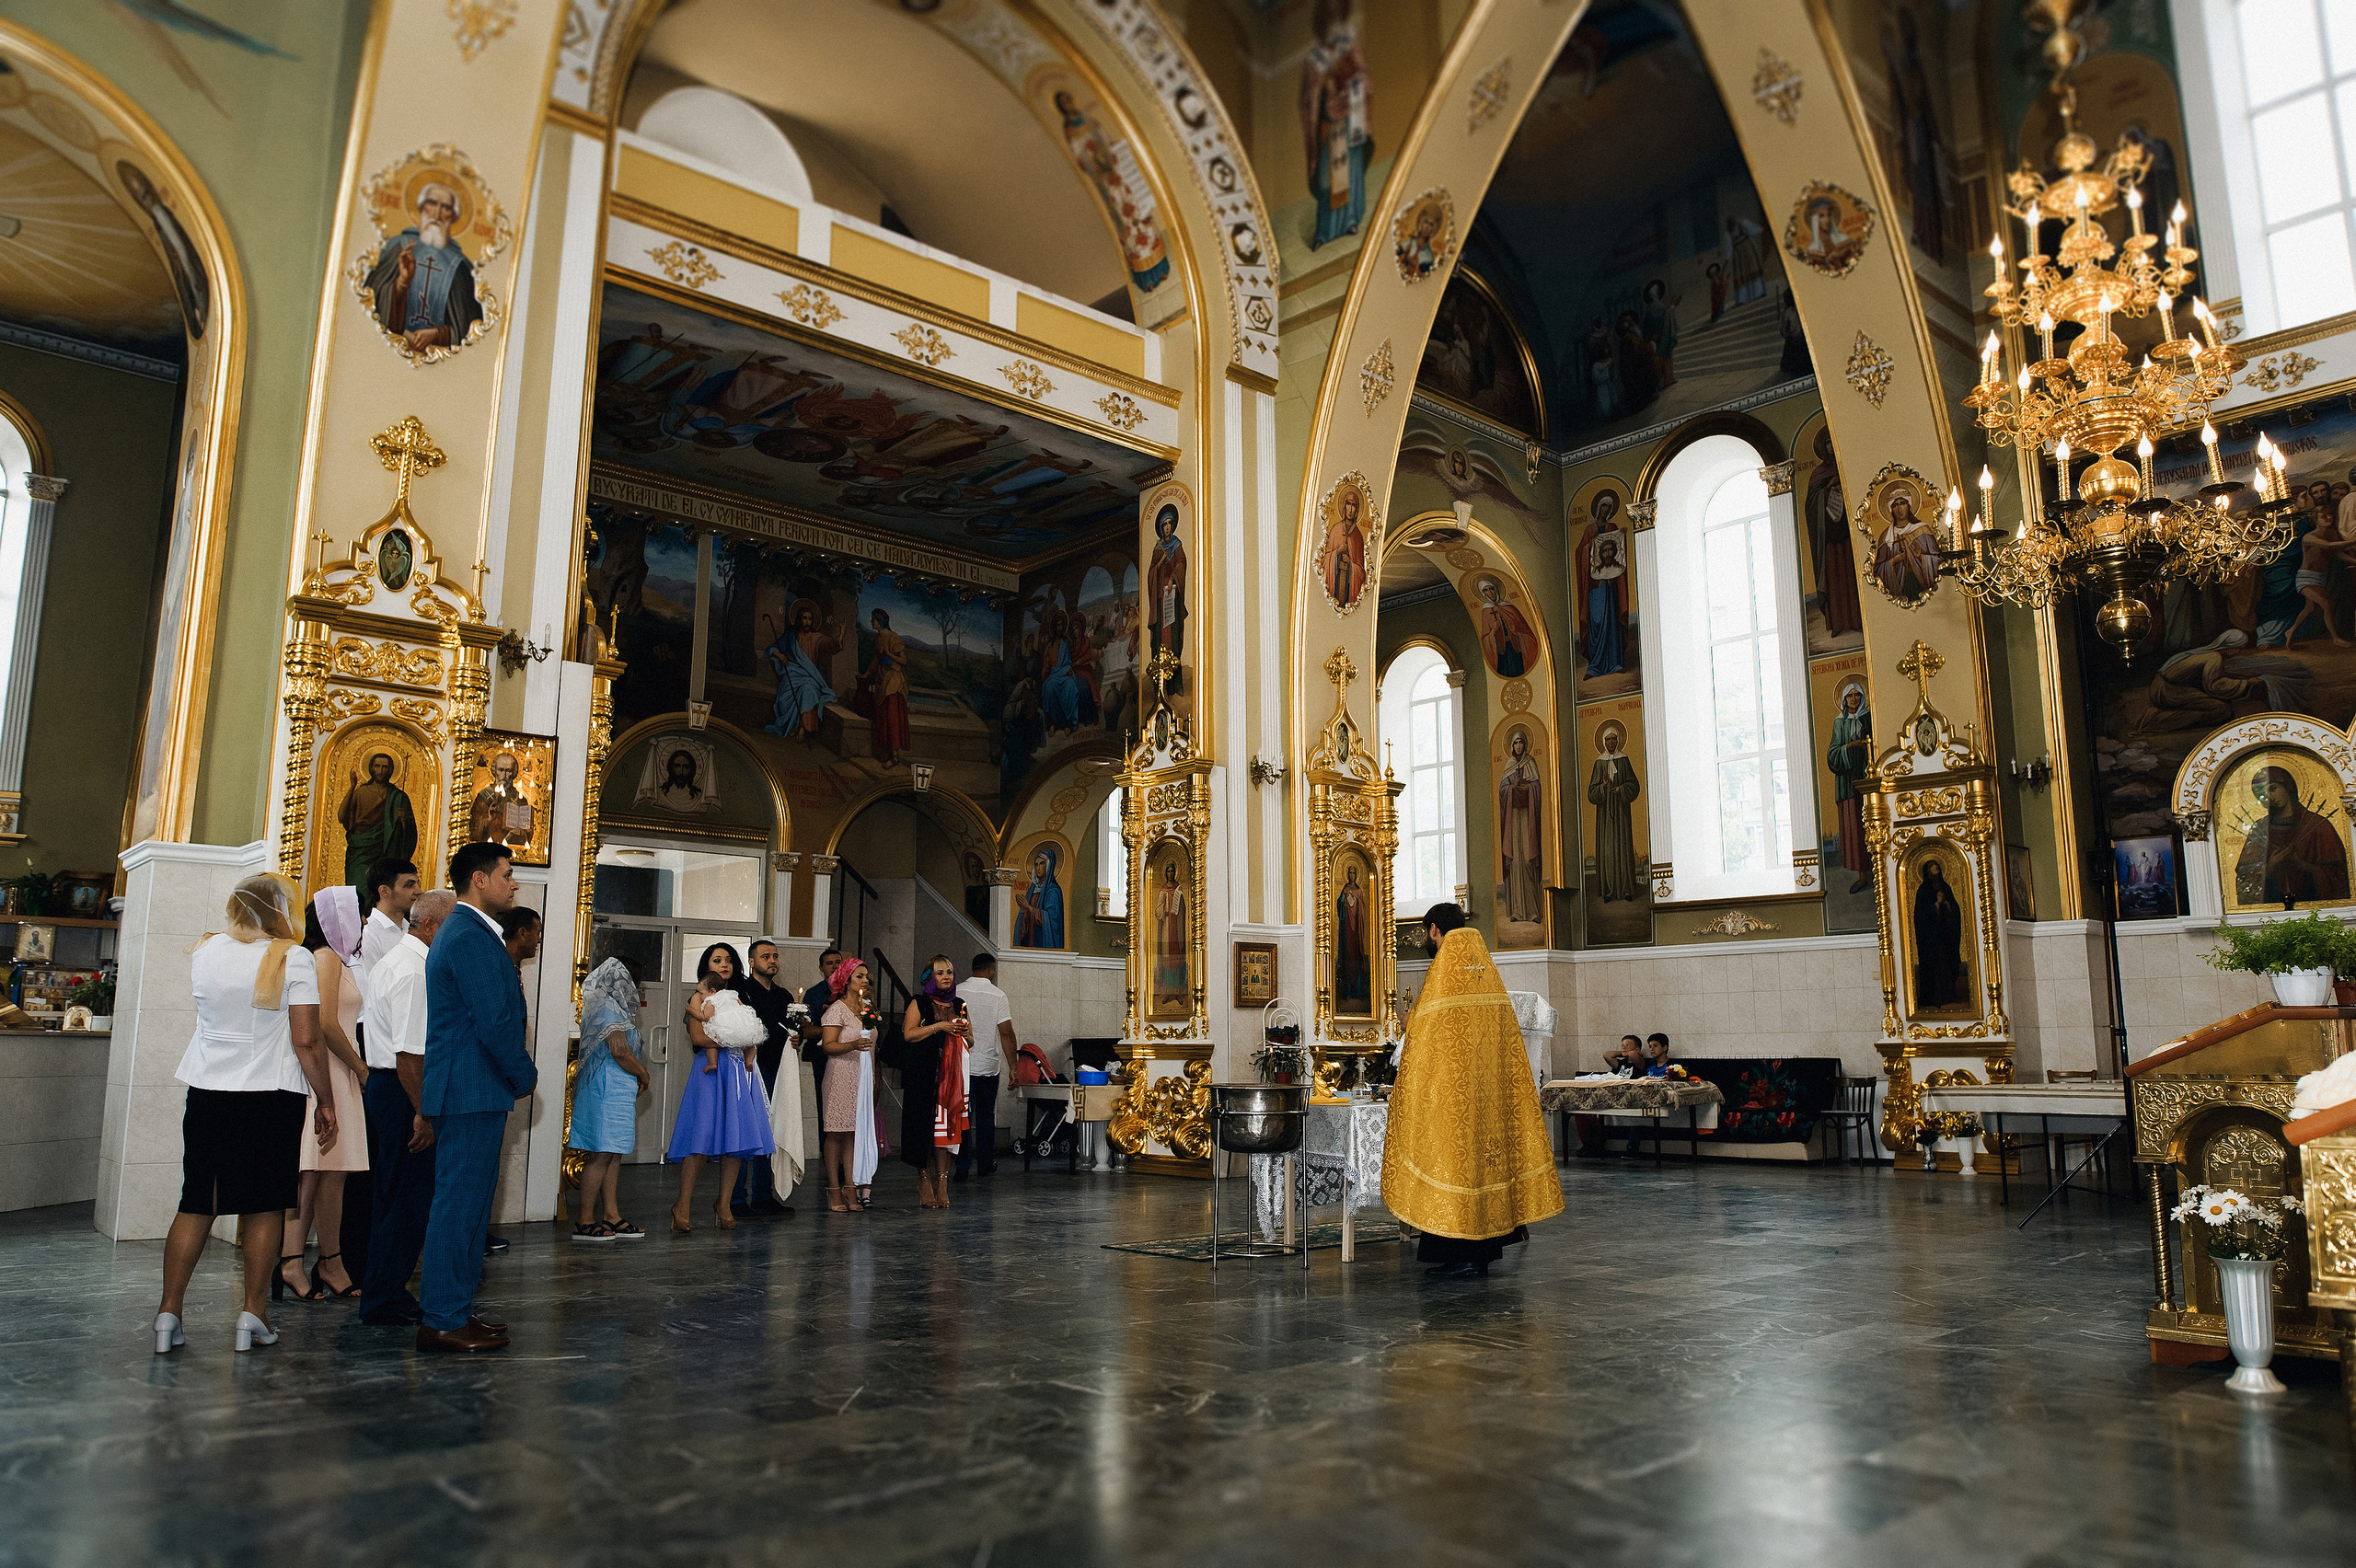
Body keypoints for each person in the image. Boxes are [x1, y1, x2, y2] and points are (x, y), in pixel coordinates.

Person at [153, 873, 341, 1355]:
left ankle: (168, 1313)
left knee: (196, 1201)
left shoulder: (207, 950)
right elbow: (306, 1039)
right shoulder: (292, 957)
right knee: (264, 1205)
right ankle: (252, 1315)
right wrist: (326, 1098)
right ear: (283, 910)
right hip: (267, 1094)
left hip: (208, 1089)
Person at [1381, 904, 1562, 1279]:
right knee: (1486, 1167)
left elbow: (1422, 1042)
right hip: (1491, 1101)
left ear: (1434, 930)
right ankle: (1477, 1254)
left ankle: (1463, 1254)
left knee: (1456, 1168)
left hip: (1453, 1104)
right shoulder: (1487, 974)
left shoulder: (1444, 973)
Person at [416, 842, 536, 1354]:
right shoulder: (468, 935)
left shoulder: (472, 933)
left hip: (472, 1088)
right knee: (458, 1208)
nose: (514, 884)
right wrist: (524, 1074)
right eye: (507, 875)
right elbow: (494, 1022)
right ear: (480, 880)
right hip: (470, 1088)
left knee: (471, 1208)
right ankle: (442, 1317)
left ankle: (456, 1308)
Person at [277, 889, 373, 1303]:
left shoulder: (342, 958)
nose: (364, 921)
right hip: (329, 1071)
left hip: (341, 1070)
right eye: (358, 914)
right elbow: (326, 1024)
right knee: (310, 1172)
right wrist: (361, 1068)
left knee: (335, 1174)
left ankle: (330, 1261)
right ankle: (290, 1262)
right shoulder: (325, 957)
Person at [359, 890, 449, 1326]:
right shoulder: (414, 971)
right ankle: (386, 1297)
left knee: (389, 1197)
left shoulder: (393, 961)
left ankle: (380, 1290)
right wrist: (425, 1113)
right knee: (409, 1201)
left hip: (385, 1088)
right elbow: (410, 1056)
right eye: (450, 926)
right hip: (403, 1092)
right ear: (430, 925)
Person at [666, 943, 774, 1231]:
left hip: (738, 1071)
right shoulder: (699, 996)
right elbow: (698, 1037)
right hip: (711, 1072)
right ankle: (683, 1203)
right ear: (706, 966)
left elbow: (751, 1031)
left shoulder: (737, 997)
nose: (724, 964)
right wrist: (733, 1040)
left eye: (728, 960)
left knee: (735, 1140)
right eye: (717, 960)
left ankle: (724, 1202)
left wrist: (745, 1039)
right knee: (701, 1137)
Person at [569, 957, 652, 1241]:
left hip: (615, 1087)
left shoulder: (608, 1004)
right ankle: (584, 1220)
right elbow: (618, 1049)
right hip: (605, 1087)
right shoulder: (605, 1005)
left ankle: (611, 1215)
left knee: (613, 1152)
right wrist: (643, 1074)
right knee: (601, 1153)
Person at [730, 938, 799, 1217]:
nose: (772, 961)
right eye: (766, 956)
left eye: (775, 956)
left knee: (768, 1133)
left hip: (777, 1070)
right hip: (748, 1070)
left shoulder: (784, 996)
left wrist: (798, 1038)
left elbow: (790, 1031)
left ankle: (762, 1195)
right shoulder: (741, 991)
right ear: (751, 961)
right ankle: (735, 1199)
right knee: (745, 1133)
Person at [896, 954, 972, 1209]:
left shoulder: (959, 1003)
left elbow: (971, 1040)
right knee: (922, 1130)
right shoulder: (919, 1001)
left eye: (949, 972)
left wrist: (961, 1032)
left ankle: (942, 1183)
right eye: (940, 973)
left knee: (946, 1132)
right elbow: (908, 1034)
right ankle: (924, 1180)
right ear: (930, 977)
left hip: (951, 1078)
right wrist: (939, 1026)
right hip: (923, 1075)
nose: (946, 976)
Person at [818, 958, 881, 1213]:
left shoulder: (868, 1008)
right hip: (840, 1075)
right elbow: (828, 1046)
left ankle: (851, 1186)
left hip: (863, 1077)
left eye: (866, 976)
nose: (865, 980)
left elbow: (873, 1047)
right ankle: (833, 1187)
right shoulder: (837, 1009)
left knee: (855, 1134)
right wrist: (853, 1045)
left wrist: (874, 1079)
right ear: (845, 981)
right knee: (836, 1133)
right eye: (859, 976)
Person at [954, 952, 1014, 1181]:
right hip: (988, 1066)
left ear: (972, 968)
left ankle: (961, 1166)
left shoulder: (957, 992)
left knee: (963, 1116)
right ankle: (985, 1164)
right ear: (991, 970)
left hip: (961, 1065)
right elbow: (1006, 1033)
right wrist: (1014, 1067)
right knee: (986, 1116)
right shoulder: (998, 995)